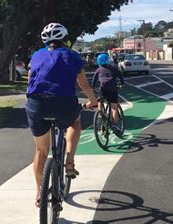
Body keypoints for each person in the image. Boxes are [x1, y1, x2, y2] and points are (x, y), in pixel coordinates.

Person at [26, 23, 97, 207]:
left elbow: (30, 82)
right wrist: (93, 101)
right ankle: (70, 162)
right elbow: (84, 85)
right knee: (74, 123)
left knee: (41, 151)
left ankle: (39, 193)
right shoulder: (73, 56)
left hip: (36, 104)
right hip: (64, 103)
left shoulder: (35, 56)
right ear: (65, 40)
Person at [92, 54, 124, 132]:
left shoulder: (98, 70)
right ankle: (115, 124)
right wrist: (122, 84)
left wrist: (93, 88)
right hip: (113, 89)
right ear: (108, 60)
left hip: (103, 89)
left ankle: (100, 114)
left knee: (100, 101)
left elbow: (94, 80)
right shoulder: (114, 68)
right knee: (114, 107)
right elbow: (120, 76)